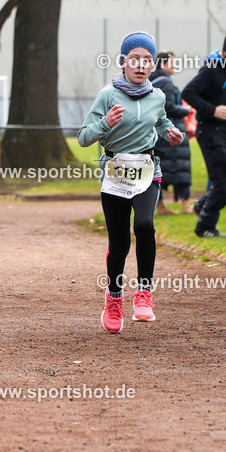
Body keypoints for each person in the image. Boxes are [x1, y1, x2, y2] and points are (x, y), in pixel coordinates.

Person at [77, 32, 183, 334]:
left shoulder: (157, 96)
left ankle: (144, 294)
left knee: (145, 224)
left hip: (148, 170)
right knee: (120, 241)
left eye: (147, 60)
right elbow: (83, 137)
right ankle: (113, 299)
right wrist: (105, 123)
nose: (141, 65)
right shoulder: (107, 95)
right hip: (115, 173)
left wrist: (171, 132)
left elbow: (160, 121)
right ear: (123, 61)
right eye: (135, 59)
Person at [181, 32, 226, 237]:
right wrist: (213, 110)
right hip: (211, 132)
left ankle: (202, 204)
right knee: (223, 182)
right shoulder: (210, 69)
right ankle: (205, 226)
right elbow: (188, 93)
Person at [149, 51, 191, 215]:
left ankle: (160, 205)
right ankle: (186, 205)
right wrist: (186, 110)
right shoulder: (165, 83)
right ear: (162, 64)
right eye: (172, 62)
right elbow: (169, 107)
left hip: (159, 134)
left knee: (160, 170)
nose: (175, 65)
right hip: (170, 133)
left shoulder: (152, 81)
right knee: (180, 170)